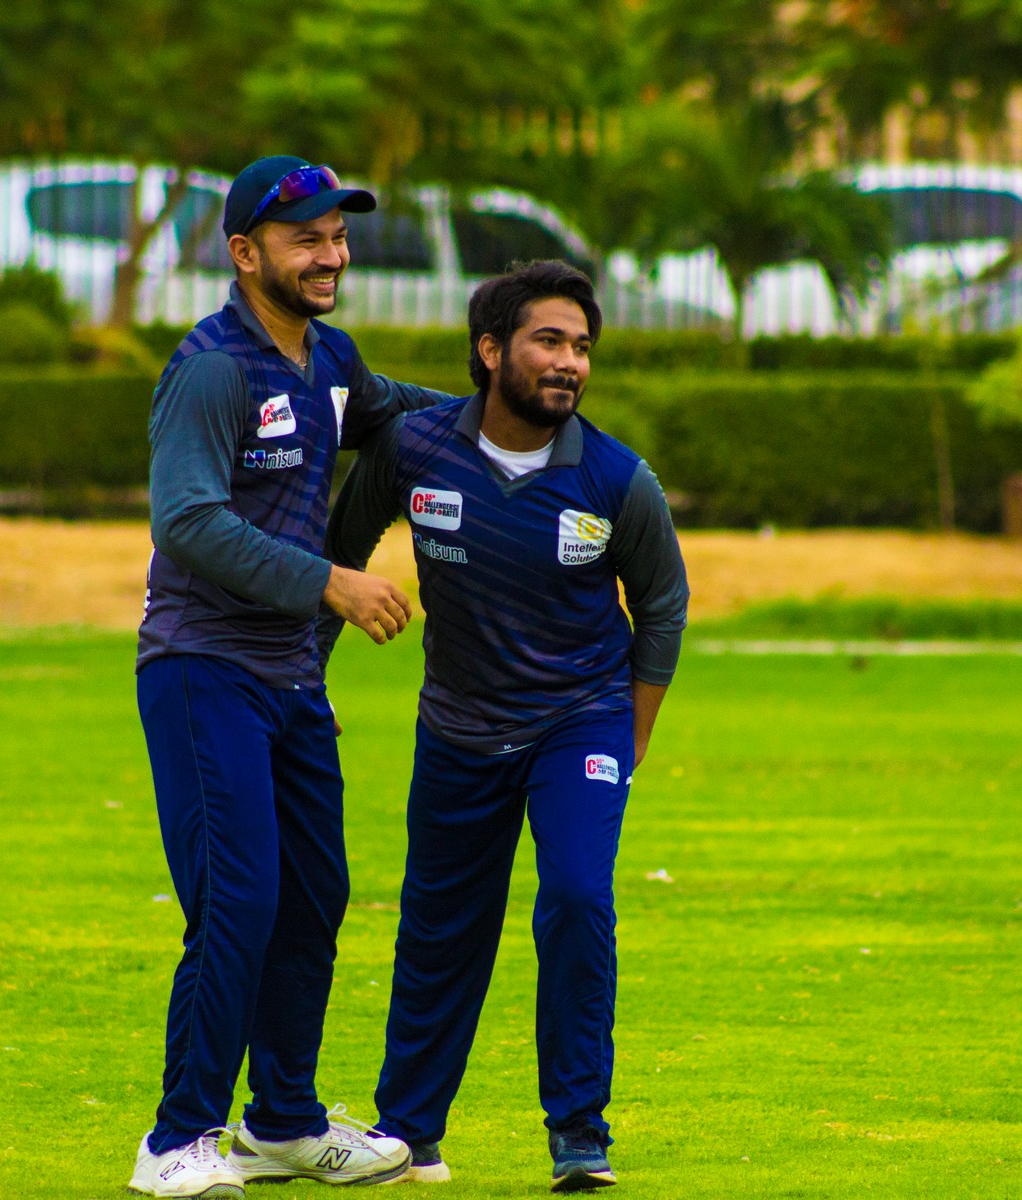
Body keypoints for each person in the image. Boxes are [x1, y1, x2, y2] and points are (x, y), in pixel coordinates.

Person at [321, 260, 690, 1192]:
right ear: (491, 351)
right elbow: (336, 557)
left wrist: (631, 737)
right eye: (548, 341)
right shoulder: (414, 448)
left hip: (580, 723)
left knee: (577, 898)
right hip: (457, 725)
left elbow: (663, 608)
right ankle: (410, 1135)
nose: (570, 363)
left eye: (582, 347)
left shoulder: (617, 478)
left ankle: (579, 1134)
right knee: (439, 925)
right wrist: (301, 682)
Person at [129, 155, 451, 1200]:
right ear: (245, 252)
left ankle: (283, 1126)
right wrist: (332, 582)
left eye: (339, 236)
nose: (331, 255)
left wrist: (514, 416)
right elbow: (186, 519)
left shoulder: (331, 359)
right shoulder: (213, 370)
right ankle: (176, 1139)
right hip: (200, 668)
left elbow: (410, 417)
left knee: (314, 897)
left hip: (289, 681)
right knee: (239, 898)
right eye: (306, 238)